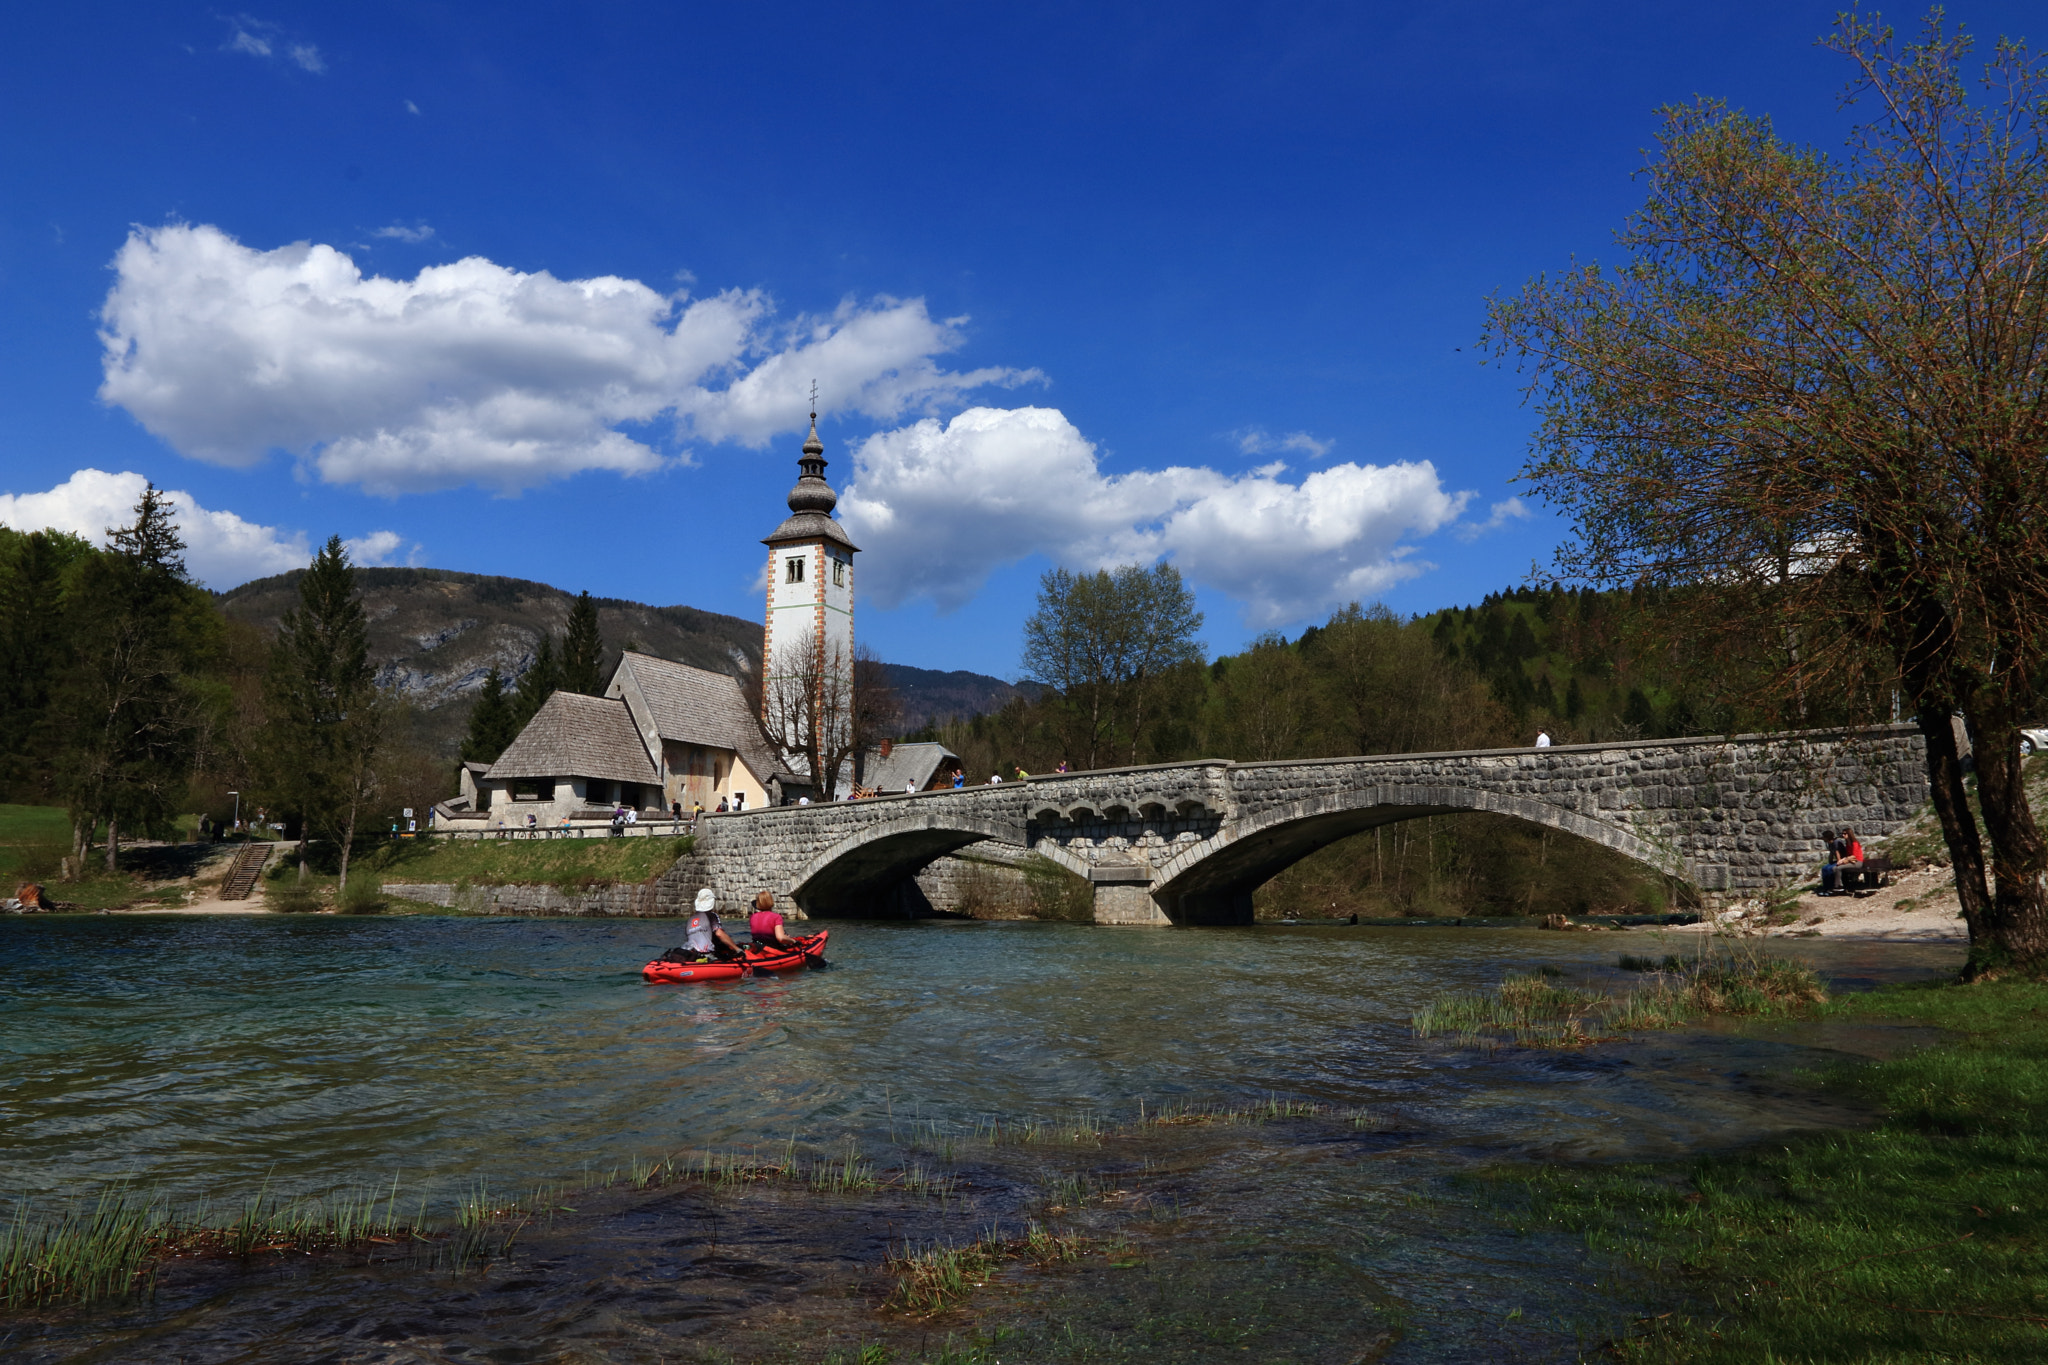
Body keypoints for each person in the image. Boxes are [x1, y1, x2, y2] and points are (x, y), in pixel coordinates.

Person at [675, 888, 742, 961]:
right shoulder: (711, 916)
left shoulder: (690, 919)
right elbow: (719, 934)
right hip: (707, 955)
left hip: (691, 953)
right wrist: (737, 949)